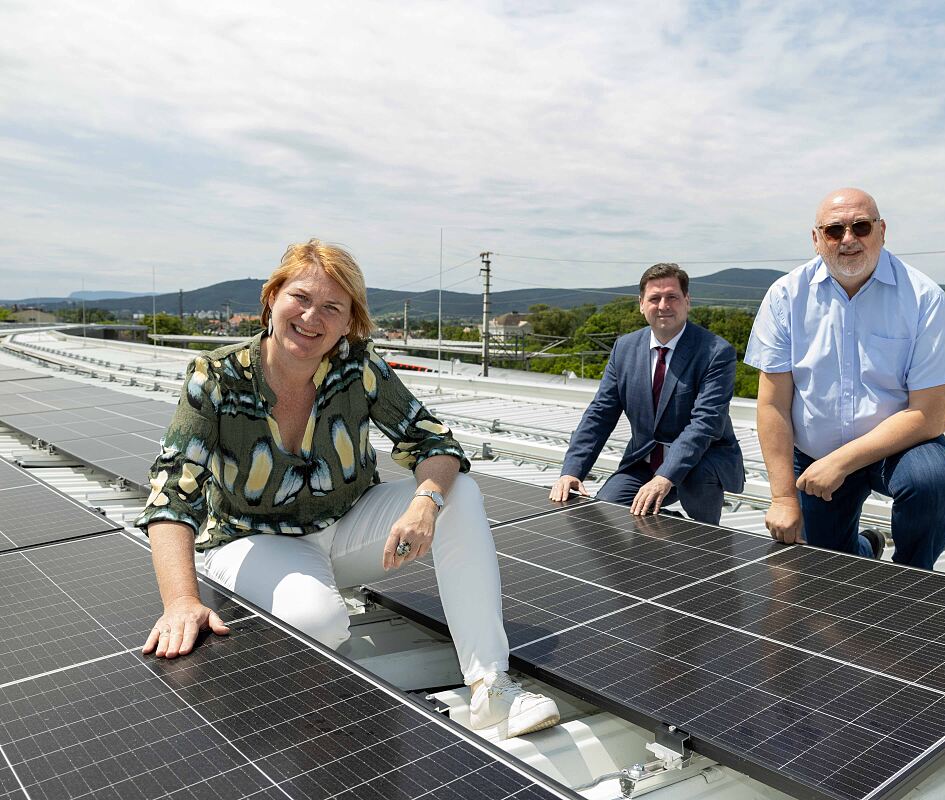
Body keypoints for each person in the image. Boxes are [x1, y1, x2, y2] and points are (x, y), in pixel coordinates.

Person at [135, 239, 559, 739]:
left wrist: (424, 502)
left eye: (332, 308)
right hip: (254, 540)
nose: (313, 317)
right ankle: (320, 690)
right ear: (272, 297)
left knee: (457, 493)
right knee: (318, 622)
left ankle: (492, 687)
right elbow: (172, 490)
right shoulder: (218, 376)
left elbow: (435, 443)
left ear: (348, 321)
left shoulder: (356, 366)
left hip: (348, 526)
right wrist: (181, 600)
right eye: (301, 298)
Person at [745, 188, 945, 570]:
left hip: (897, 450)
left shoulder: (924, 298)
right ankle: (865, 548)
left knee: (936, 479)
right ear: (816, 240)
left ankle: (912, 578)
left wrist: (843, 462)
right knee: (826, 568)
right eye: (834, 230)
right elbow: (773, 404)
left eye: (860, 227)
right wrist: (783, 498)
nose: (848, 239)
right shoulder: (785, 296)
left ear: (882, 231)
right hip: (816, 456)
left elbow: (931, 416)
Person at [550, 263, 744, 524]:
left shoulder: (715, 352)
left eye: (672, 297)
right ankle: (662, 527)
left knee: (702, 539)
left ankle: (706, 548)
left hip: (702, 461)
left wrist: (665, 477)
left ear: (687, 301)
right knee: (606, 510)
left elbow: (705, 424)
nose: (663, 305)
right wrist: (571, 471)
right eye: (655, 298)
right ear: (641, 304)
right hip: (644, 460)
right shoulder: (625, 348)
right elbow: (600, 414)